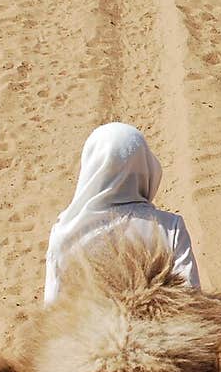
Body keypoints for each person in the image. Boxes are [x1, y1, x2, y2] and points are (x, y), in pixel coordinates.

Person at [44, 123, 200, 305]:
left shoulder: (66, 231)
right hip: (158, 331)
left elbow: (53, 309)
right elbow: (192, 300)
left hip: (92, 332)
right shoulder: (170, 228)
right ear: (147, 167)